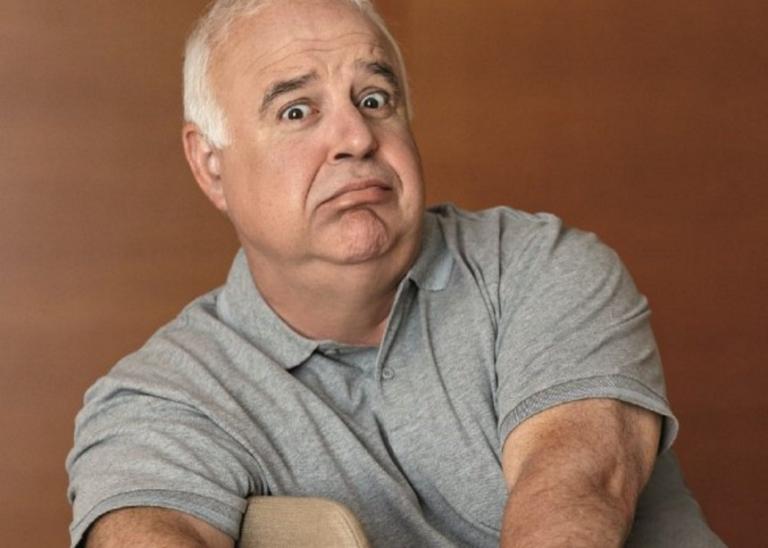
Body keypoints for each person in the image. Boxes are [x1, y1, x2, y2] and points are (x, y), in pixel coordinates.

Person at [66, 1, 724, 546]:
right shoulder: (167, 398)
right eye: (297, 111)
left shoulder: (542, 269)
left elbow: (576, 494)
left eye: (375, 99)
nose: (357, 137)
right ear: (211, 165)